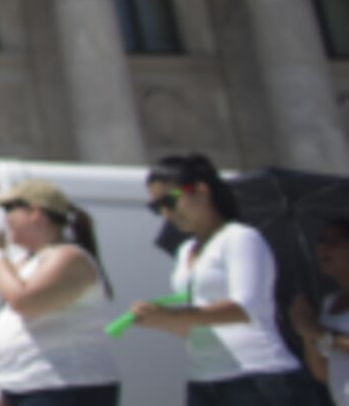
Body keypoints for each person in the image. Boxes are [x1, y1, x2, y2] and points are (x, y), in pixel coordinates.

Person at [133, 154, 316, 406]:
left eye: (169, 201)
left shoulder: (240, 237)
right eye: (156, 208)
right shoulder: (186, 251)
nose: (166, 214)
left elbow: (244, 307)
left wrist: (175, 316)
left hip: (257, 374)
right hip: (204, 379)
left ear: (201, 190)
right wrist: (158, 320)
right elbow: (197, 323)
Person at [0, 177, 121, 406]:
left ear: (36, 213)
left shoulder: (69, 257)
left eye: (9, 209)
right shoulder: (20, 264)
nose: (5, 220)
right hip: (21, 386)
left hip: (66, 386)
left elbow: (24, 301)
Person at [285, 218, 349, 403]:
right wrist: (306, 332)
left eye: (334, 241)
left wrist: (320, 333)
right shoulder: (329, 303)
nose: (323, 248)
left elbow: (324, 336)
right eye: (321, 241)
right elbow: (323, 374)